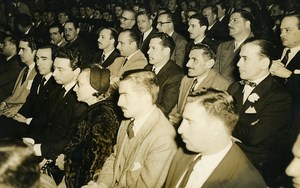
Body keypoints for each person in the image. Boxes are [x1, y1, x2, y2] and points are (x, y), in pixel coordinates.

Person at [83, 70, 177, 188]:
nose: (119, 102)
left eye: (125, 95)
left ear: (145, 99)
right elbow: (114, 158)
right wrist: (102, 184)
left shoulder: (163, 140)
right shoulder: (128, 120)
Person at [165, 88, 266, 187]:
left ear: (215, 128)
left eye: (189, 122)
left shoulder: (246, 182)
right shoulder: (183, 152)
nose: (180, 129)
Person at [227, 39, 292, 186]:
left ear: (264, 63)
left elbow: (255, 136)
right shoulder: (234, 88)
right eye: (239, 58)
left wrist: (226, 122)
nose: (238, 64)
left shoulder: (279, 96)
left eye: (245, 59)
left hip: (256, 168)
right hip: (228, 156)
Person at [55, 65, 120, 187]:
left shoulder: (103, 116)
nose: (74, 89)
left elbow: (96, 160)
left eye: (79, 84)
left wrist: (66, 161)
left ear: (94, 88)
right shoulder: (95, 110)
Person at [0, 44, 58, 139]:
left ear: (55, 61)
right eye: (37, 58)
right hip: (28, 122)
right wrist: (18, 116)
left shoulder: (56, 84)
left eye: (44, 59)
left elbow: (47, 117)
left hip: (39, 129)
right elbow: (30, 101)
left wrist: (26, 120)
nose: (38, 63)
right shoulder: (38, 77)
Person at [169, 43, 230, 127]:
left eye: (194, 60)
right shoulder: (186, 79)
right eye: (189, 59)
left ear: (210, 63)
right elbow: (178, 107)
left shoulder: (221, 86)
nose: (187, 64)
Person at [270, 14, 300, 140]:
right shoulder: (274, 52)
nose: (282, 35)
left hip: (293, 123)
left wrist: (288, 75)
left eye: (288, 30)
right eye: (281, 30)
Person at [144, 32, 184, 116]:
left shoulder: (176, 76)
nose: (148, 52)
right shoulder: (147, 68)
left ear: (166, 51)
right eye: (149, 48)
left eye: (153, 48)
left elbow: (164, 108)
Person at [0, 36, 37, 118]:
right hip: (10, 109)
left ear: (34, 52)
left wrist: (18, 108)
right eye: (19, 49)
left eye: (23, 49)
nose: (19, 53)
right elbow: (14, 94)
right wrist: (4, 103)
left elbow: (33, 101)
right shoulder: (24, 69)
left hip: (23, 114)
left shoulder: (38, 73)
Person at [214, 10, 254, 83]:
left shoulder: (256, 46)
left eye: (235, 20)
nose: (229, 24)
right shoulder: (223, 46)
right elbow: (215, 71)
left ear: (247, 24)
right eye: (230, 21)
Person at [0, 35, 23, 101]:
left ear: (13, 46)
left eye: (4, 44)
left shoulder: (17, 64)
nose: (1, 46)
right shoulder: (5, 59)